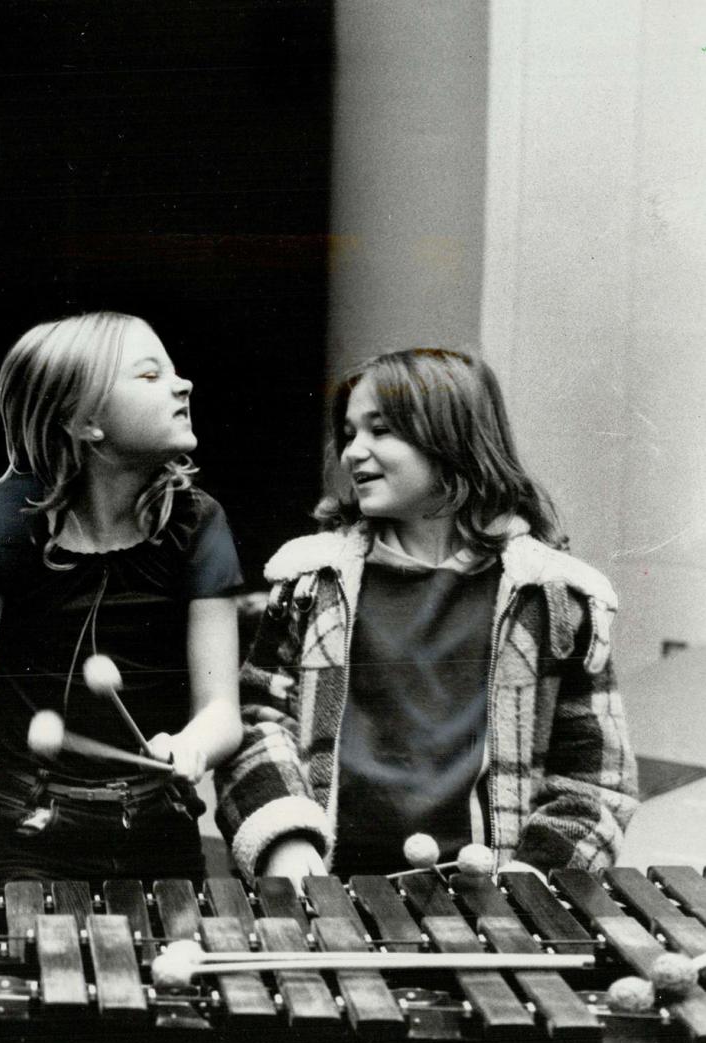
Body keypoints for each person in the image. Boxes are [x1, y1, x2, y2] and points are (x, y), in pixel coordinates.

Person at [215, 348, 638, 883]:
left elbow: (594, 781)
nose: (352, 452)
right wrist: (285, 841)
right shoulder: (308, 583)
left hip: (491, 895)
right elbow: (256, 726)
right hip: (325, 884)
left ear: (453, 442)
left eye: (381, 431)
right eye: (349, 434)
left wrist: (533, 883)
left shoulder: (552, 596)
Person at [0, 312, 245, 883]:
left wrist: (193, 745)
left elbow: (222, 711)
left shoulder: (198, 525)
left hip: (159, 818)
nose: (182, 384)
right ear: (85, 420)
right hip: (33, 821)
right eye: (150, 376)